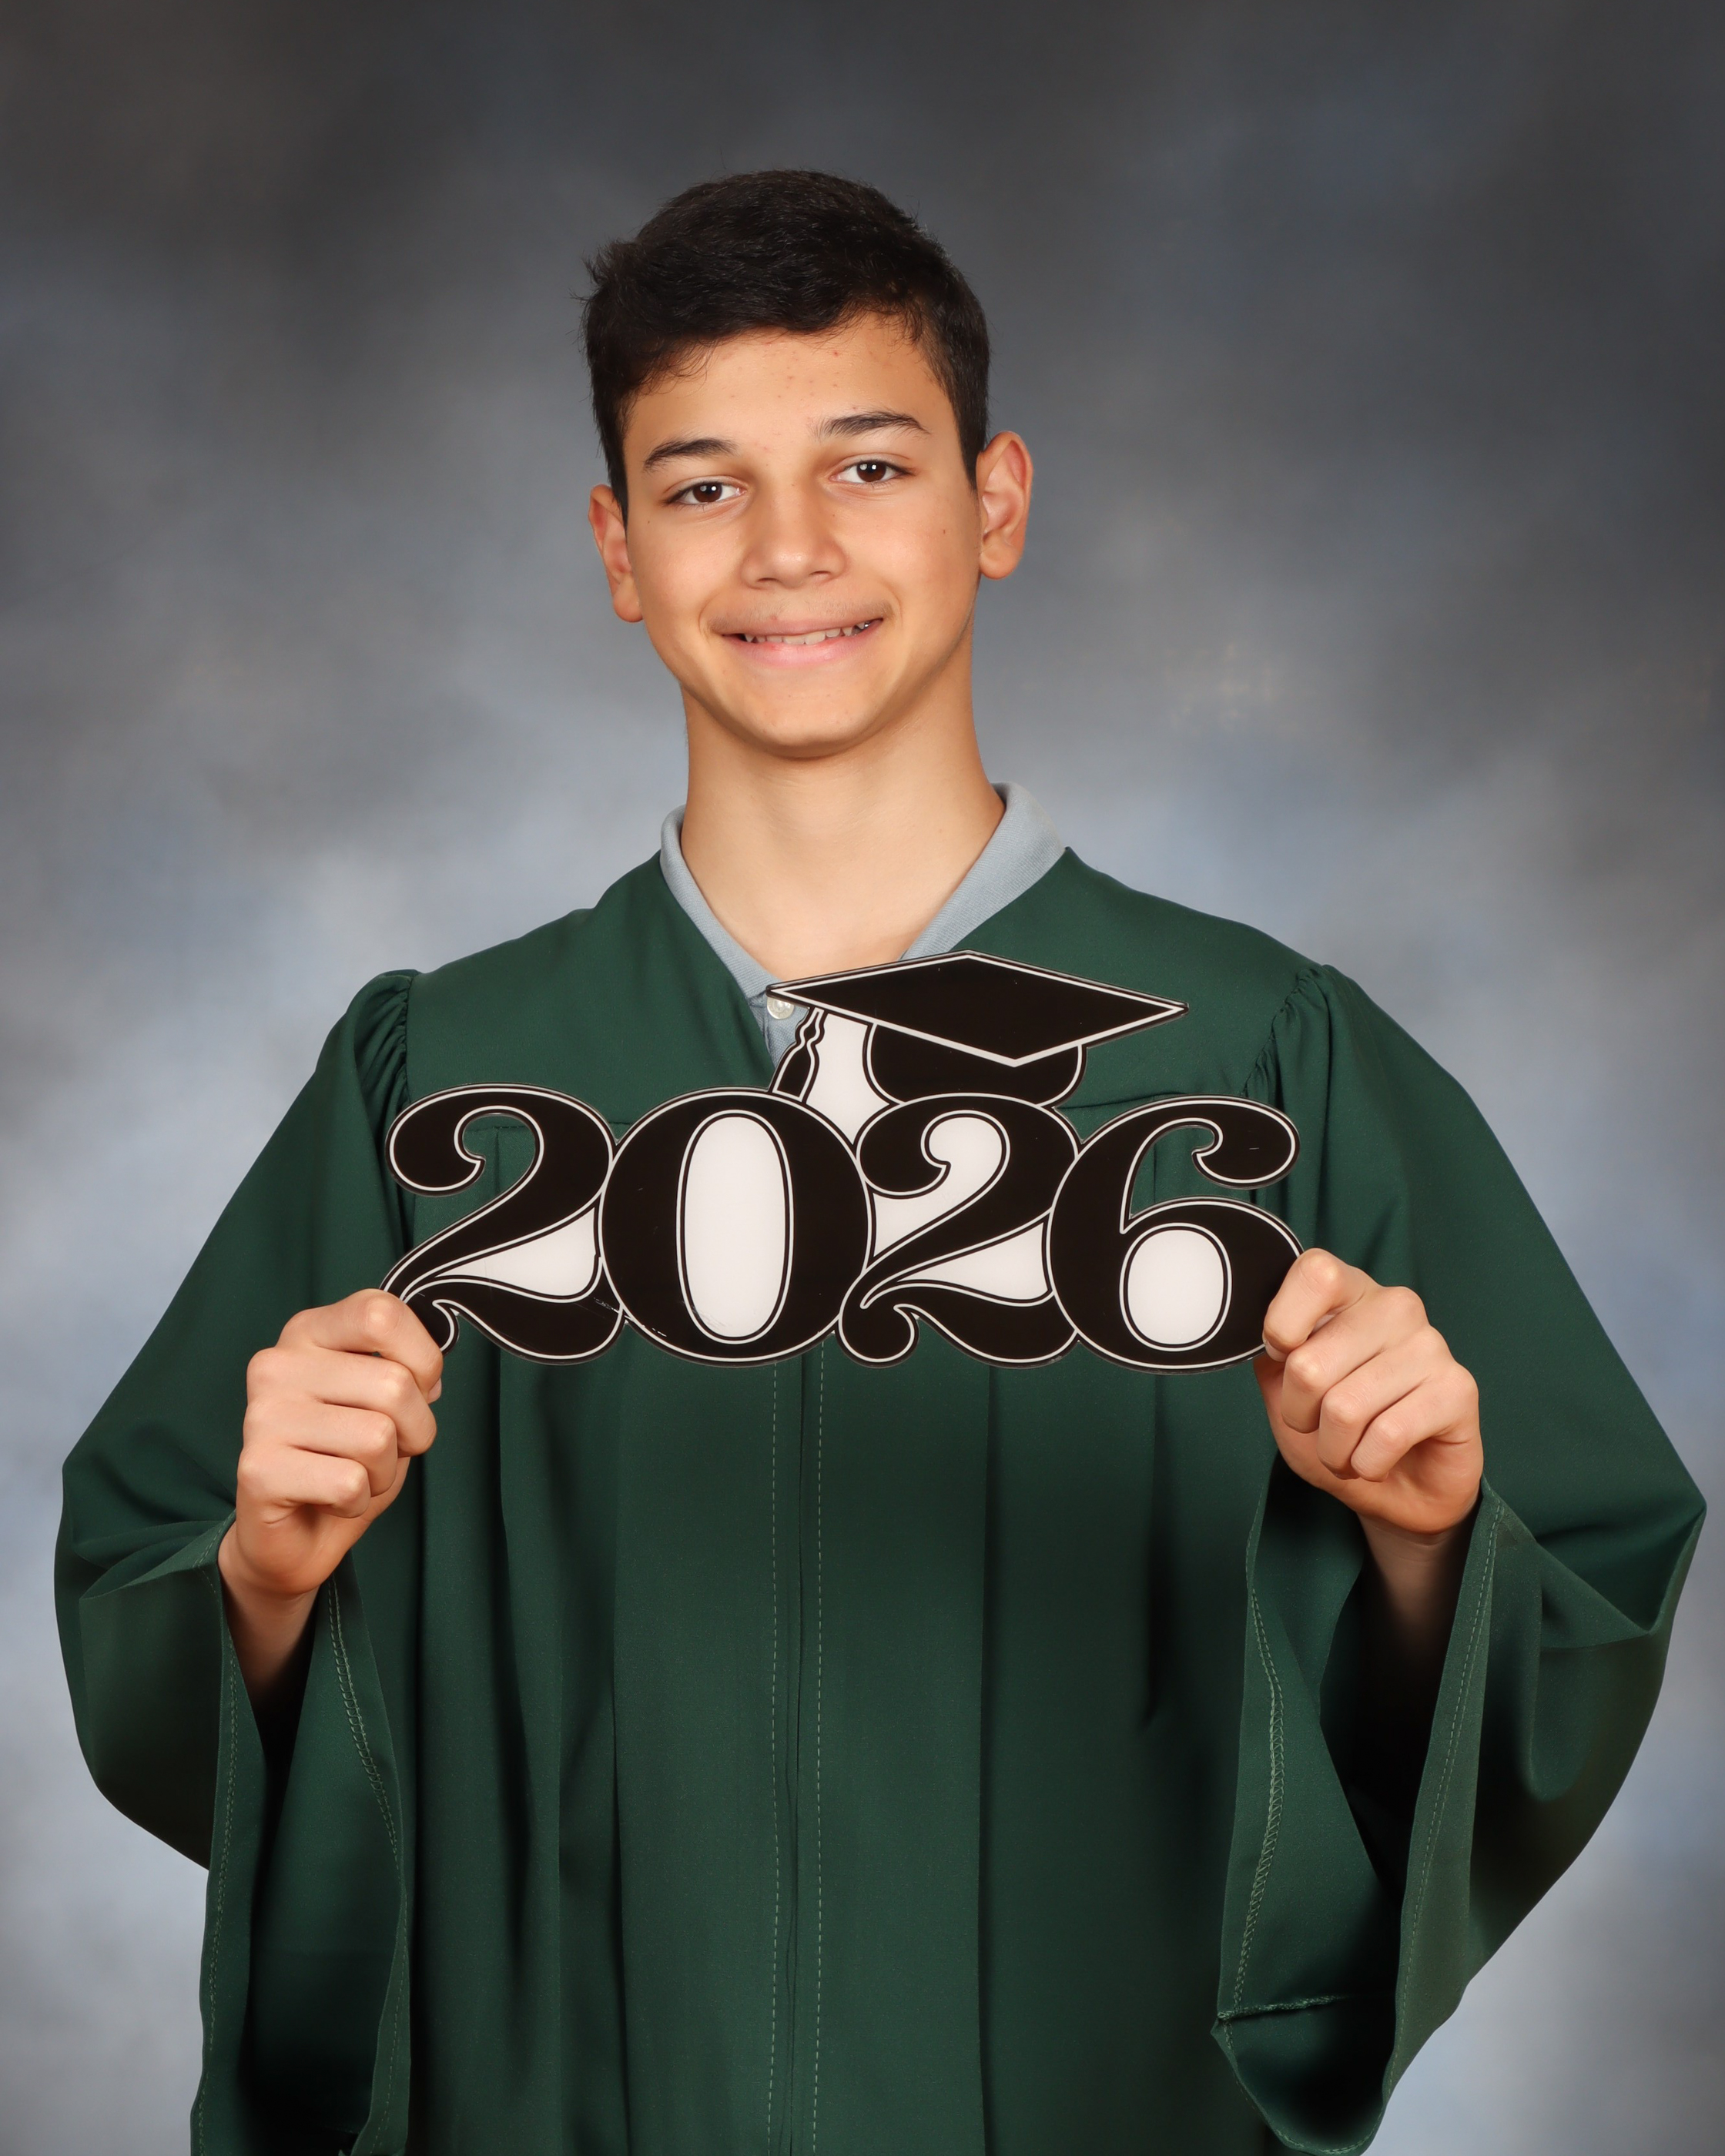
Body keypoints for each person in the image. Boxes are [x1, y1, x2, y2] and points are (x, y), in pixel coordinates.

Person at [58, 171, 1701, 2156]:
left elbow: (1572, 1611)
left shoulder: (1260, 1065)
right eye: (704, 486)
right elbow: (159, 1623)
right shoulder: (445, 1088)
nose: (791, 550)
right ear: (618, 549)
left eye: (867, 464)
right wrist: (263, 1582)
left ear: (995, 501)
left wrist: (1429, 1548)